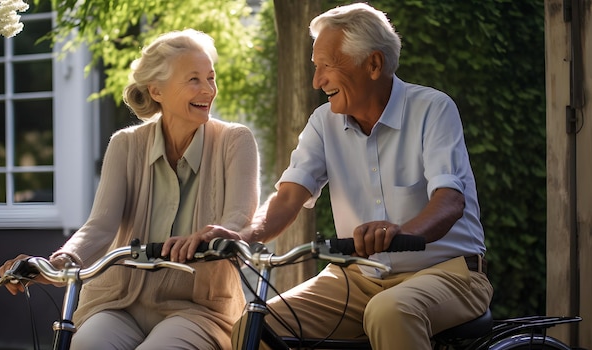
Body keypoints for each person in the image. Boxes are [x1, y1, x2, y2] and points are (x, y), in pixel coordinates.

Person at [207, 3, 493, 349]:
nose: (317, 81)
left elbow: (449, 201)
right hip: (358, 279)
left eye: (327, 66)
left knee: (388, 312)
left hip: (449, 273)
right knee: (255, 326)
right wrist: (243, 234)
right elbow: (287, 196)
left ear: (373, 64)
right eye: (316, 67)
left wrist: (402, 232)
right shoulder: (323, 123)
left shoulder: (432, 109)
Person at [0, 29, 260, 350]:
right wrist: (58, 263)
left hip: (198, 307)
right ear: (157, 90)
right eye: (193, 79)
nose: (208, 90)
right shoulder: (126, 144)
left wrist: (214, 234)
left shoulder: (235, 141)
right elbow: (100, 227)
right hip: (119, 300)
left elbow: (238, 217)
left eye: (211, 78)